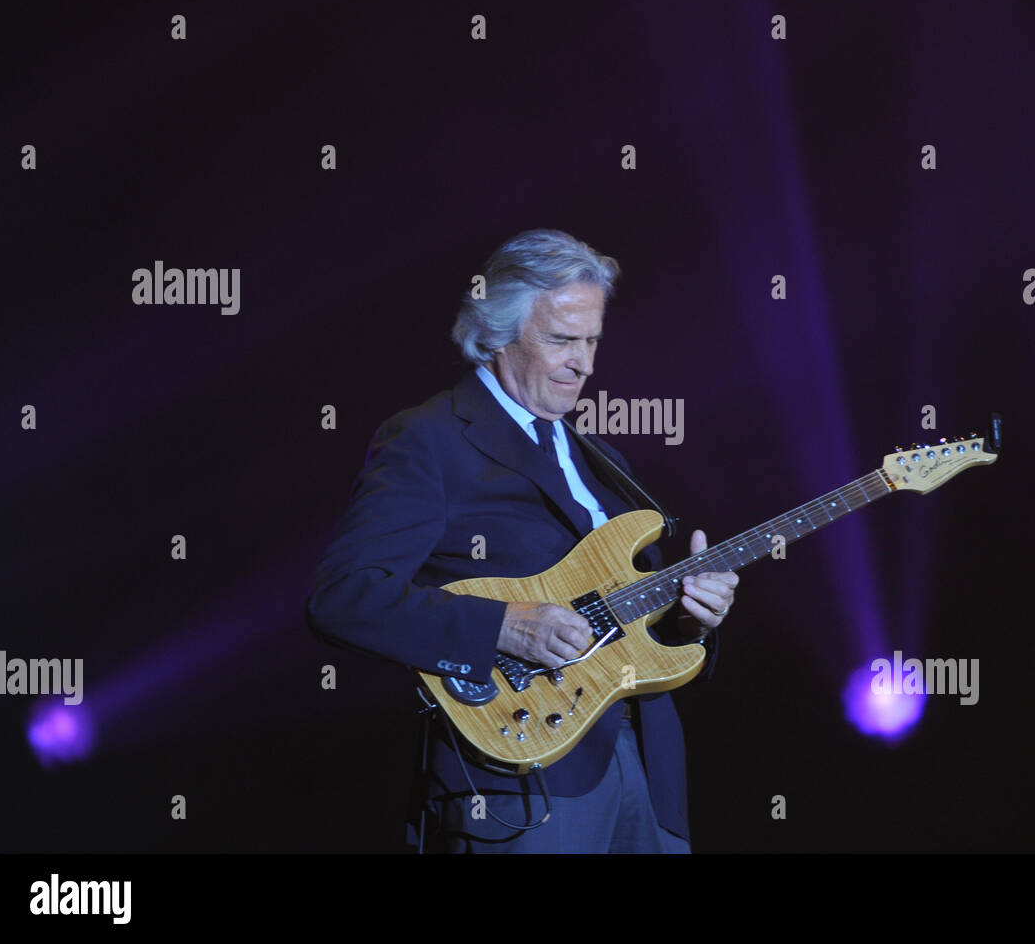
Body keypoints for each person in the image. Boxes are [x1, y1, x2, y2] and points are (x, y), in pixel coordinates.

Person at [306, 229, 738, 852]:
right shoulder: (430, 438)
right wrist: (505, 627)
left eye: (592, 341)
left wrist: (695, 617)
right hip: (521, 780)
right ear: (497, 334)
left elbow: (637, 621)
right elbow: (343, 598)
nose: (584, 364)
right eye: (562, 340)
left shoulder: (603, 461)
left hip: (646, 768)